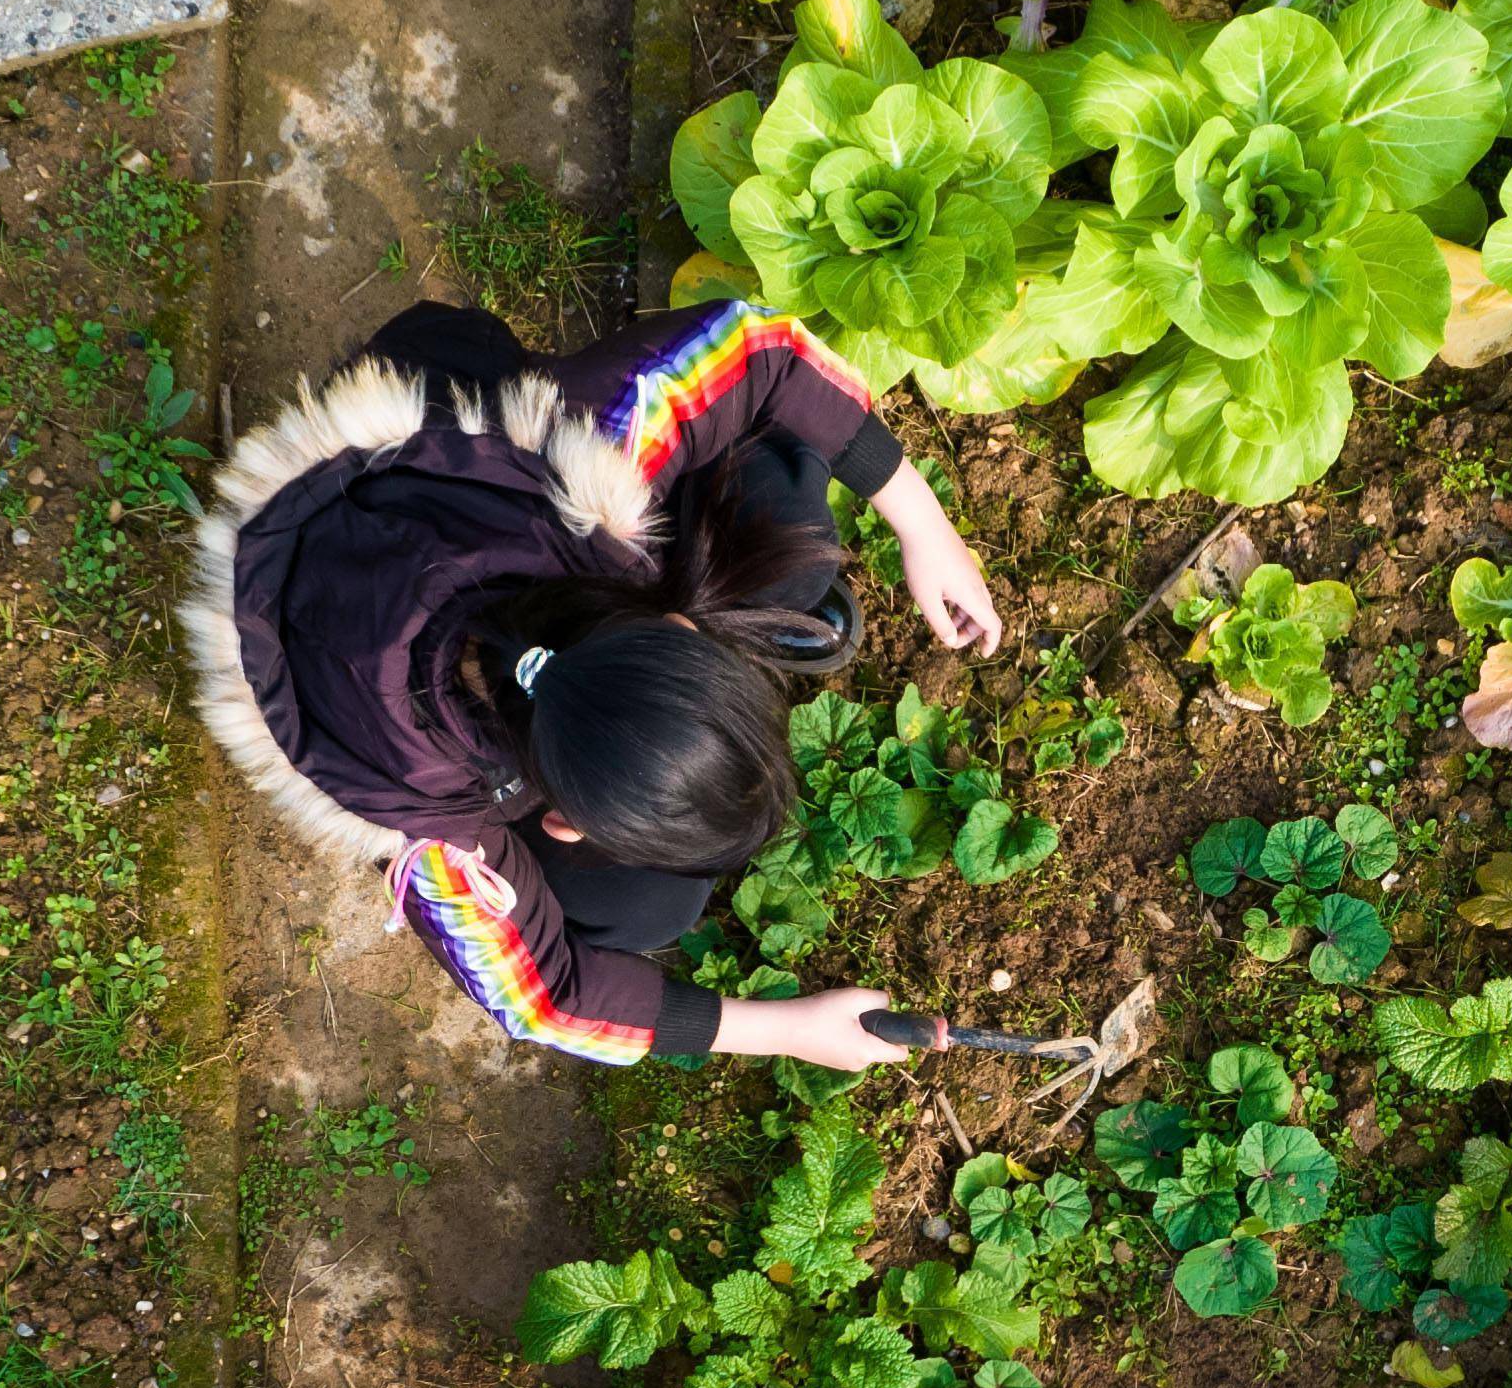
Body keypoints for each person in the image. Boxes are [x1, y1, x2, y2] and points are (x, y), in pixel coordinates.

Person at [180, 291, 1008, 1070]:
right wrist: (787, 1031)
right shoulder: (432, 821)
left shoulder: (582, 464)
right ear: (562, 825)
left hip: (442, 442)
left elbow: (758, 347)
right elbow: (539, 1001)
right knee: (648, 910)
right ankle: (768, 612)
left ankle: (775, 605)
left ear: (676, 625)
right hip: (353, 585)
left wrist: (922, 523)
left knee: (779, 513)